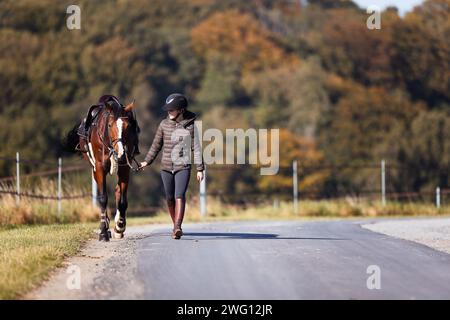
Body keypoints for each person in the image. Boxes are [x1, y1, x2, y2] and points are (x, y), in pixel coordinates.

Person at [139, 93, 204, 239]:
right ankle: (175, 224)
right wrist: (146, 161)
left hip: (183, 166)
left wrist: (200, 169)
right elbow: (156, 145)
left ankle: (177, 227)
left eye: (172, 109)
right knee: (169, 198)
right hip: (166, 167)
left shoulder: (191, 127)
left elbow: (197, 148)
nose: (169, 112)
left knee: (179, 195)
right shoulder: (163, 124)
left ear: (181, 110)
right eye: (168, 110)